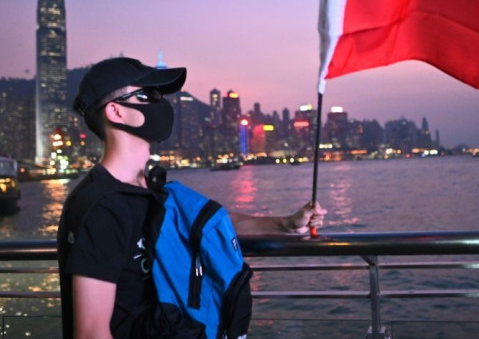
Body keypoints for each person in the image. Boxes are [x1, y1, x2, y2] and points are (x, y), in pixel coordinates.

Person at [57, 57, 326, 339]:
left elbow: (209, 225)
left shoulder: (151, 189)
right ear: (116, 111)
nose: (161, 103)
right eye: (148, 95)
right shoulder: (102, 206)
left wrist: (285, 224)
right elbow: (90, 332)